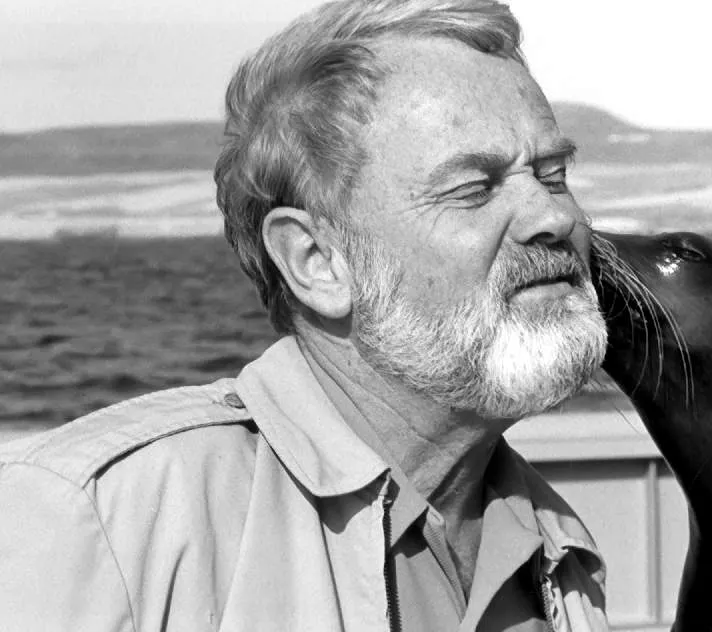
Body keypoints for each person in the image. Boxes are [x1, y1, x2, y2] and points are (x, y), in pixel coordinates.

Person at [0, 0, 611, 629]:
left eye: (554, 173)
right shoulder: (99, 522)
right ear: (317, 260)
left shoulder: (557, 551)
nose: (555, 218)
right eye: (473, 190)